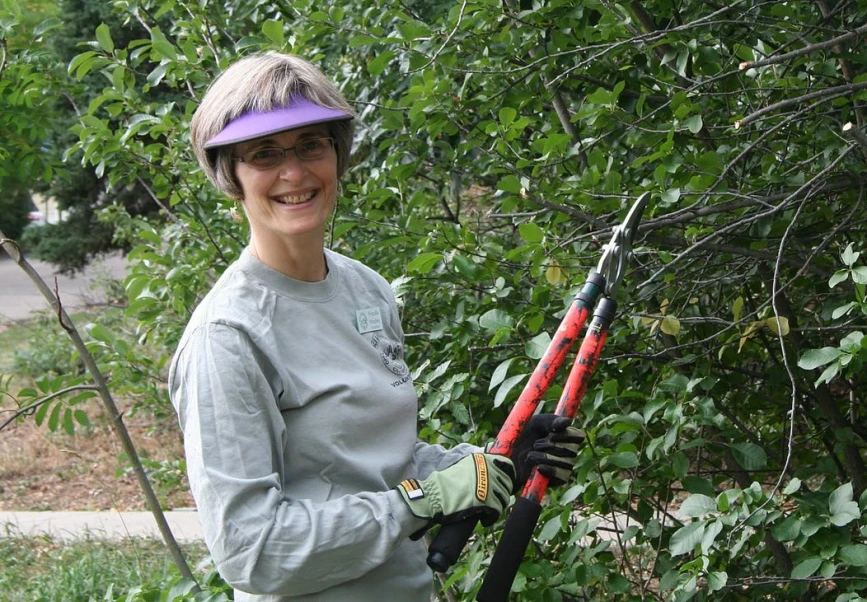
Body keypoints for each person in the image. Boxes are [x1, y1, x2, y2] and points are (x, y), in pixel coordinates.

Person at [169, 52, 584, 601]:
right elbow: (254, 552)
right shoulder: (227, 337)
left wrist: (495, 461)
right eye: (264, 153)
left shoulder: (366, 289)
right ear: (231, 175)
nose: (294, 173)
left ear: (337, 155)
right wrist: (426, 501)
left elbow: (381, 463)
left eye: (311, 145)